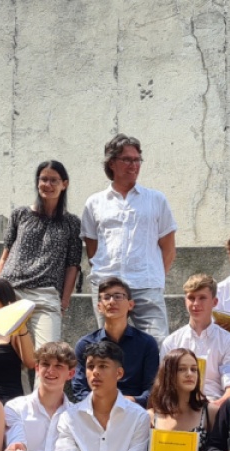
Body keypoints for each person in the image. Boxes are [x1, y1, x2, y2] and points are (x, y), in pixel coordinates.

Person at [81, 134, 177, 341]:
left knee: (158, 344)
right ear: (111, 163)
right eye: (127, 159)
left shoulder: (156, 199)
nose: (134, 165)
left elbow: (168, 247)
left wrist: (154, 276)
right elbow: (92, 249)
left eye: (137, 160)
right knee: (108, 347)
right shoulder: (95, 203)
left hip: (146, 284)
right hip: (107, 286)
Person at [0, 160, 83, 347]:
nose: (47, 184)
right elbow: (5, 256)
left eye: (54, 180)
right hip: (12, 289)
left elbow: (73, 265)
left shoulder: (72, 223)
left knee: (48, 353)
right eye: (43, 179)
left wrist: (64, 302)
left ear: (64, 184)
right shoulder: (20, 214)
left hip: (46, 295)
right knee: (1, 351)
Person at [71, 277, 160, 405]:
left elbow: (152, 389)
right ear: (99, 307)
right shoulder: (85, 344)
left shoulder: (146, 343)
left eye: (118, 296)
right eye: (106, 297)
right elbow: (80, 388)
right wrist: (102, 403)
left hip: (134, 408)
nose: (112, 302)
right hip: (96, 408)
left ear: (130, 305)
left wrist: (131, 401)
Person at [161, 274, 230, 409]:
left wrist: (211, 409)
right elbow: (165, 387)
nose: (196, 304)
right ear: (185, 301)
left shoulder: (228, 341)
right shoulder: (171, 342)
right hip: (180, 408)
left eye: (202, 298)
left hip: (215, 406)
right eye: (191, 298)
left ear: (214, 302)